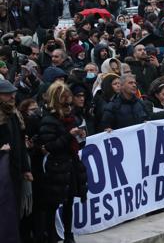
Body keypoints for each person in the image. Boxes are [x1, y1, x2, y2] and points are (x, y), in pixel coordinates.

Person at [37, 82, 87, 243]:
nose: (67, 103)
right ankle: (51, 235)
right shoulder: (48, 119)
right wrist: (69, 136)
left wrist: (81, 137)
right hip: (56, 167)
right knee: (52, 204)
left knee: (69, 202)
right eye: (64, 100)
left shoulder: (71, 117)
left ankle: (68, 234)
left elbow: (76, 144)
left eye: (68, 99)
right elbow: (50, 146)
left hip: (71, 165)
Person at [0, 80, 32, 216]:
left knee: (14, 212)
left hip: (15, 170)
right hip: (2, 173)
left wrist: (26, 169)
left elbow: (20, 145)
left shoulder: (14, 115)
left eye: (12, 93)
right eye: (7, 94)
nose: (12, 97)